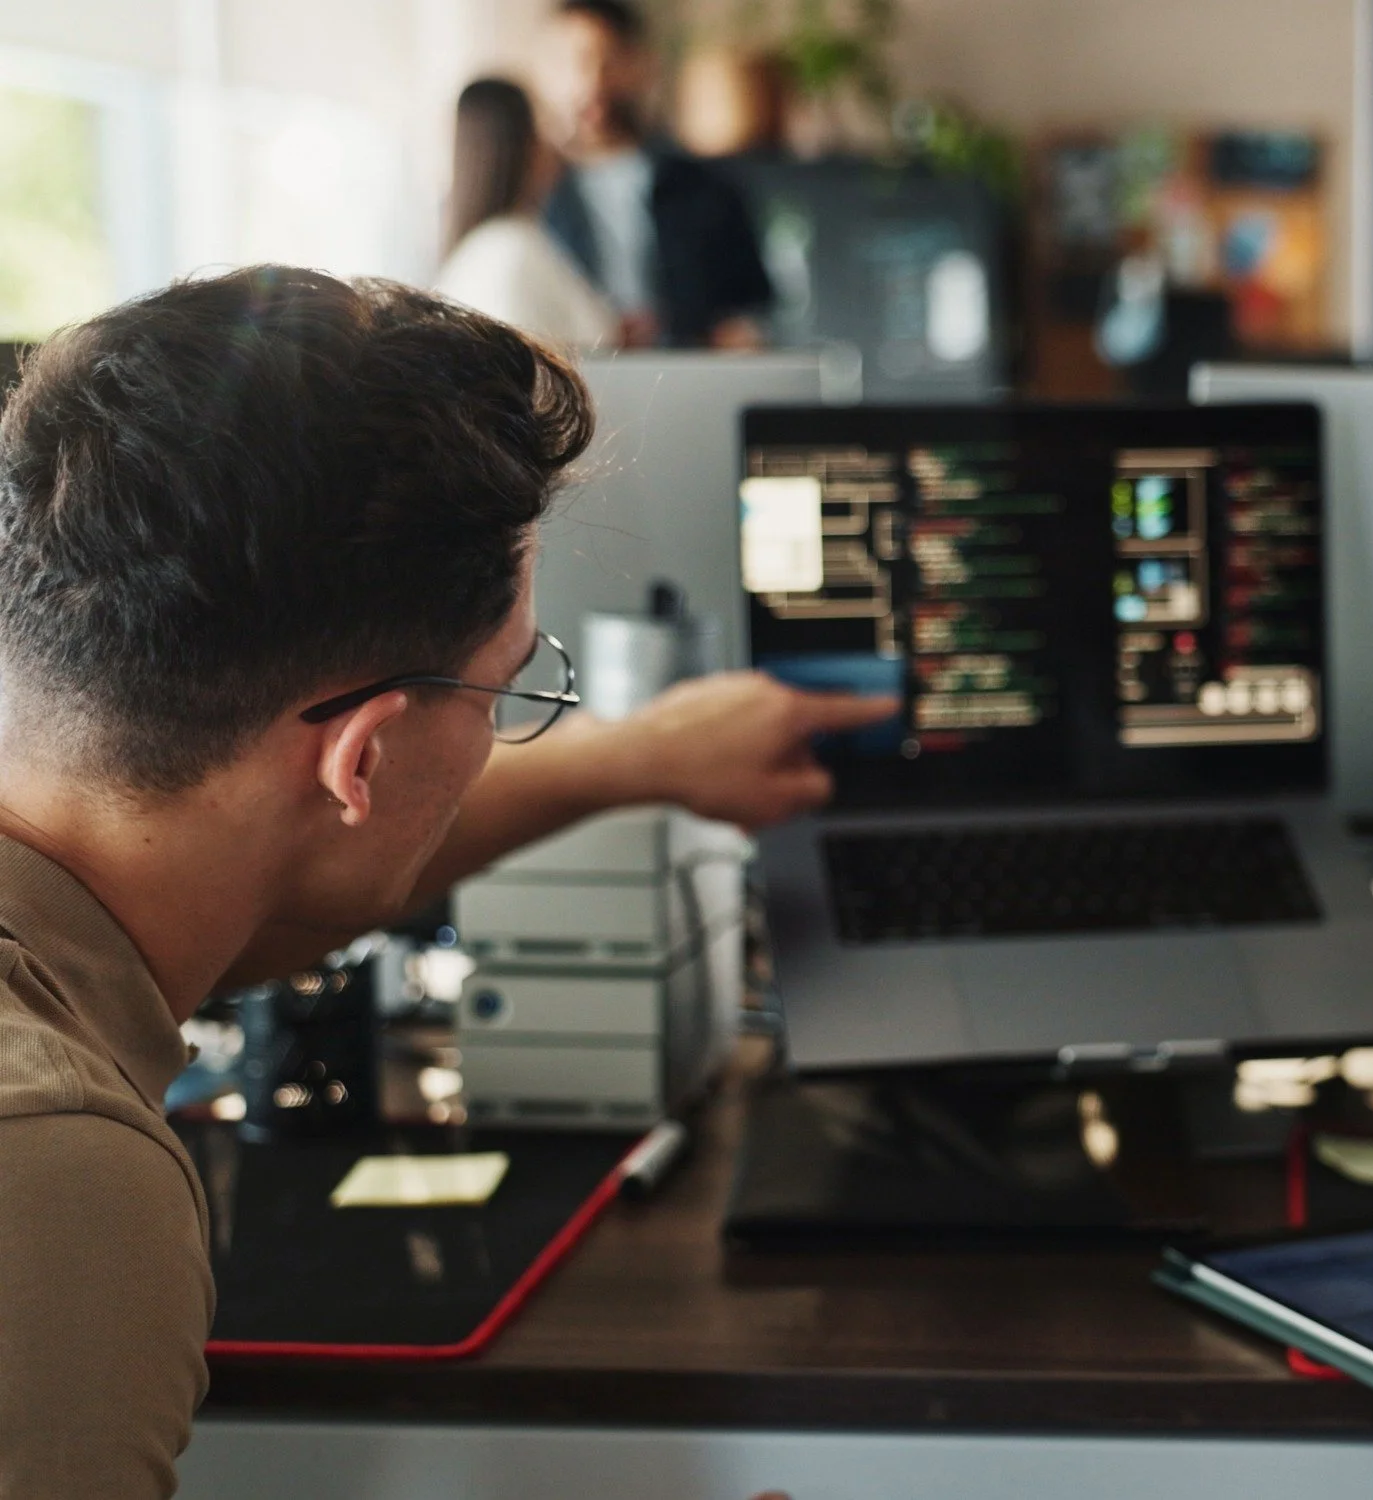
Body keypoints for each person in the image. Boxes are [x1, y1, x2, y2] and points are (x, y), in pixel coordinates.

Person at [0, 267, 892, 1495]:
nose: (505, 725)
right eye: (506, 691)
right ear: (362, 759)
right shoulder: (57, 1184)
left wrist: (640, 758)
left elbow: (275, 876)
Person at [532, 0, 773, 349]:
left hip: (687, 376)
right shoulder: (535, 193)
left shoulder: (706, 186)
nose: (591, 81)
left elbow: (748, 309)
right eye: (572, 62)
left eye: (607, 60)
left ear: (639, 64)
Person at [436, 76, 620, 352]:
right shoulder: (510, 252)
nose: (557, 145)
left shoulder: (493, 246)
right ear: (524, 146)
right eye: (545, 128)